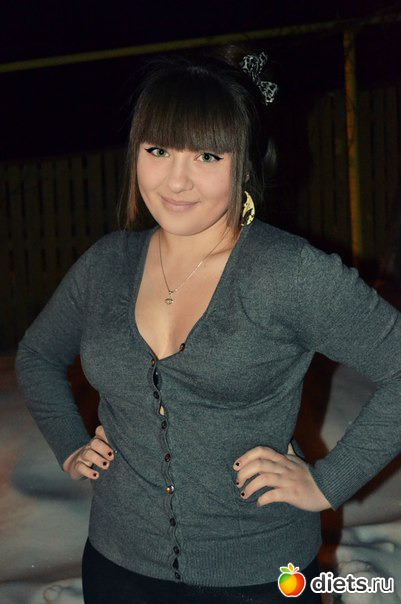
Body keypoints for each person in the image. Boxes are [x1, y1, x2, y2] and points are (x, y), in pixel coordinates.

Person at [15, 50, 401, 604]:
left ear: (245, 164)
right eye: (158, 150)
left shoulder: (287, 272)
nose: (176, 180)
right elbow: (37, 356)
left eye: (206, 155)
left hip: (260, 575)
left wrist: (326, 482)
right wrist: (70, 444)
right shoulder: (106, 266)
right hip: (118, 566)